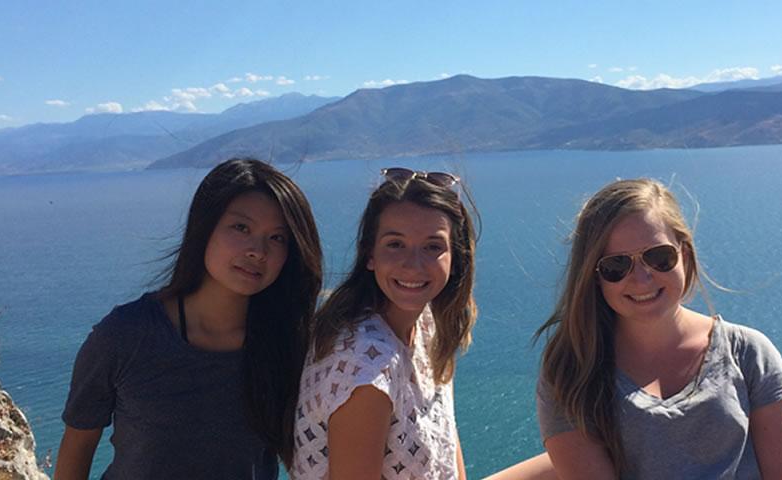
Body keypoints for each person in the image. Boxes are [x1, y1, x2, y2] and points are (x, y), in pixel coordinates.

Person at [55, 158, 323, 479]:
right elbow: (77, 447)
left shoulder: (290, 345)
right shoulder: (126, 335)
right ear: (204, 227)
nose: (258, 250)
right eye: (241, 228)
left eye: (277, 238)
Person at [535, 178, 782, 479]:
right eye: (616, 266)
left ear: (684, 255)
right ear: (594, 276)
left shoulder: (749, 354)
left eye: (658, 257)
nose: (641, 279)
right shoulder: (571, 373)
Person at [290, 167, 477, 480]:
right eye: (395, 244)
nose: (413, 264)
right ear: (370, 254)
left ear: (455, 257)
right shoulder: (367, 369)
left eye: (433, 246)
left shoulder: (427, 325)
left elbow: (447, 439)